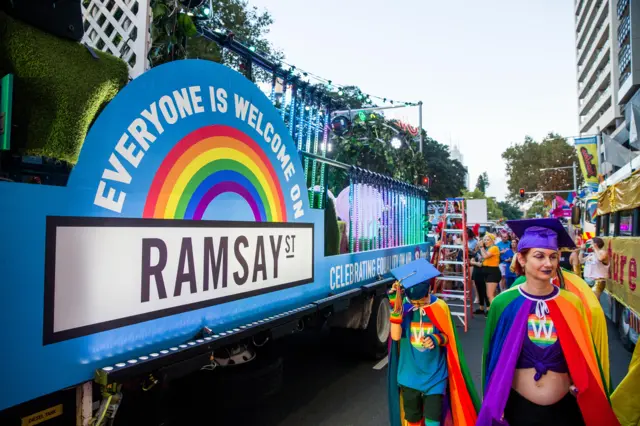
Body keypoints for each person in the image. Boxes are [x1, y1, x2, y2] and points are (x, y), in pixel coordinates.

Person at [478, 219, 618, 426]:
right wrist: (493, 403)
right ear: (522, 259)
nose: (548, 263)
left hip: (564, 411)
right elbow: (492, 358)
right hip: (519, 410)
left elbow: (584, 353)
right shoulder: (503, 303)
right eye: (539, 256)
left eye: (553, 256)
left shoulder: (571, 302)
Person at [387, 265, 480, 426]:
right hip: (409, 377)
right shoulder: (405, 308)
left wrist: (436, 339)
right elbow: (395, 337)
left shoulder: (440, 307)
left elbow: (448, 338)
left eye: (422, 300)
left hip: (435, 376)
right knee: (413, 419)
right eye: (414, 300)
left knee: (433, 421)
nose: (419, 304)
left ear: (429, 290)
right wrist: (396, 308)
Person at [479, 233, 501, 306]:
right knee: (492, 295)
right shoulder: (489, 248)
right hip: (488, 271)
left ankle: (494, 313)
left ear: (492, 241)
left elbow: (485, 256)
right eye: (484, 240)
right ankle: (495, 312)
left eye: (488, 240)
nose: (485, 241)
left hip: (493, 272)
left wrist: (481, 247)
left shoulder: (494, 248)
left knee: (490, 295)